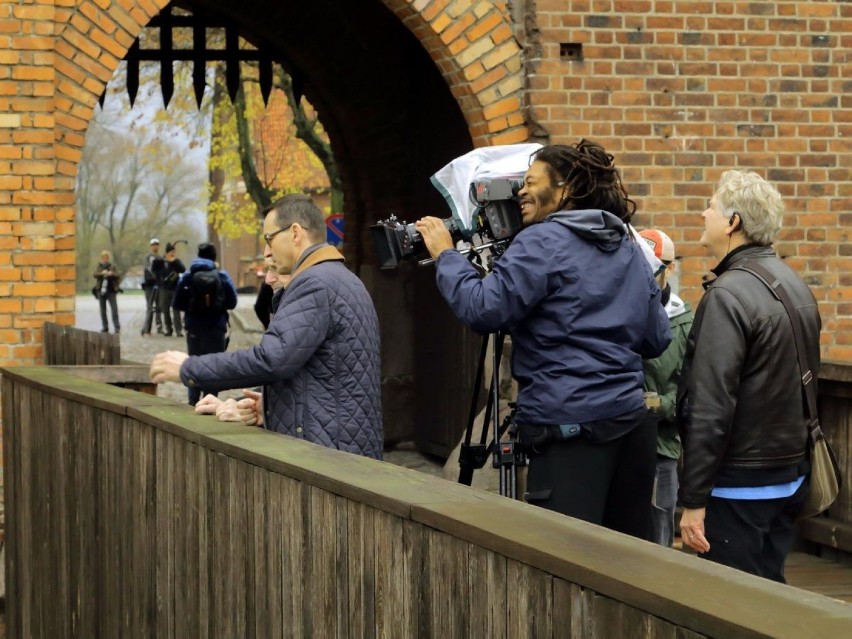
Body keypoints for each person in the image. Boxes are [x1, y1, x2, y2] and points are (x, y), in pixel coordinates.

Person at [415, 140, 671, 539]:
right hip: (630, 429)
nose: (520, 191)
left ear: (565, 189)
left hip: (571, 434)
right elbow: (657, 338)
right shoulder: (626, 244)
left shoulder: (539, 242)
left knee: (564, 560)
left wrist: (447, 256)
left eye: (531, 182)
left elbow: (484, 309)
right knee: (628, 561)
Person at [150, 194, 383, 459]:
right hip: (342, 448)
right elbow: (323, 374)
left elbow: (271, 359)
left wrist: (188, 368)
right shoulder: (343, 279)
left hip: (330, 458)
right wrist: (269, 406)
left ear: (295, 233)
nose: (267, 251)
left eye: (269, 238)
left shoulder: (314, 284)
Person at [677, 170, 821, 583]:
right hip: (789, 476)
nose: (704, 213)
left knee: (731, 605)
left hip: (738, 483)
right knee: (770, 596)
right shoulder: (794, 284)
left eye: (711, 205)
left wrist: (693, 500)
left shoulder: (727, 295)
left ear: (732, 222)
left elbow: (710, 404)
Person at [638, 228, 694, 548]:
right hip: (620, 441)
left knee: (658, 537)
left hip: (661, 449)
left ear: (669, 268)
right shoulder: (620, 310)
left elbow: (692, 394)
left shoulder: (685, 323)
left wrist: (658, 404)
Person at [170, 242, 238, 405]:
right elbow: (232, 303)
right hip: (216, 328)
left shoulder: (187, 276)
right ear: (214, 257)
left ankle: (193, 401)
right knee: (214, 365)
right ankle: (210, 401)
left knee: (194, 363)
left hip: (194, 328)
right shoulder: (222, 276)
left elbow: (177, 304)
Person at [160, 242, 186, 337]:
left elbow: (183, 269)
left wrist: (175, 262)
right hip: (164, 288)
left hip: (175, 288)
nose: (172, 253)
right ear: (167, 253)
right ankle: (168, 329)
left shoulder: (176, 261)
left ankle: (178, 330)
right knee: (165, 310)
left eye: (174, 252)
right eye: (171, 252)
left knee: (176, 310)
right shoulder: (162, 262)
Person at [93, 250, 121, 334]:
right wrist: (102, 273)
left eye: (106, 257)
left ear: (108, 258)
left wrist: (111, 274)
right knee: (102, 310)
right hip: (101, 290)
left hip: (111, 290)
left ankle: (117, 327)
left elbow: (118, 275)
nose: (105, 259)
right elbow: (94, 274)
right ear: (101, 258)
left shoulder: (112, 266)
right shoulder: (99, 266)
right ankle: (105, 327)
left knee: (114, 309)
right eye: (103, 258)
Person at [141, 238, 164, 336]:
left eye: (157, 244)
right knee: (150, 306)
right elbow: (148, 268)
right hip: (150, 285)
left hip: (159, 284)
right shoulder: (148, 257)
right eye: (153, 244)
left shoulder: (161, 257)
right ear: (151, 246)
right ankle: (147, 328)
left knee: (159, 306)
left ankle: (159, 327)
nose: (155, 246)